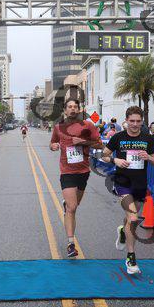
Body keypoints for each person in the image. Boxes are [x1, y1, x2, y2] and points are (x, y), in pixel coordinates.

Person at [102, 106, 154, 274]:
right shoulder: (118, 137)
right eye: (132, 121)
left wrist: (149, 157)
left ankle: (122, 231)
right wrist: (115, 160)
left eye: (138, 121)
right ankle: (131, 258)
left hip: (140, 185)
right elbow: (103, 155)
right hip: (122, 184)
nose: (134, 124)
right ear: (126, 120)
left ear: (142, 122)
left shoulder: (148, 138)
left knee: (130, 220)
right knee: (133, 218)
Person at [50, 98, 103, 258]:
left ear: (79, 109)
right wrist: (53, 146)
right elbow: (53, 143)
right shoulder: (58, 127)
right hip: (66, 171)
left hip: (83, 171)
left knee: (75, 205)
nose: (72, 109)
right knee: (72, 208)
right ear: (65, 110)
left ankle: (67, 204)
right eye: (69, 107)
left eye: (75, 107)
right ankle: (70, 243)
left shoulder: (88, 126)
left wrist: (84, 142)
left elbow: (99, 144)